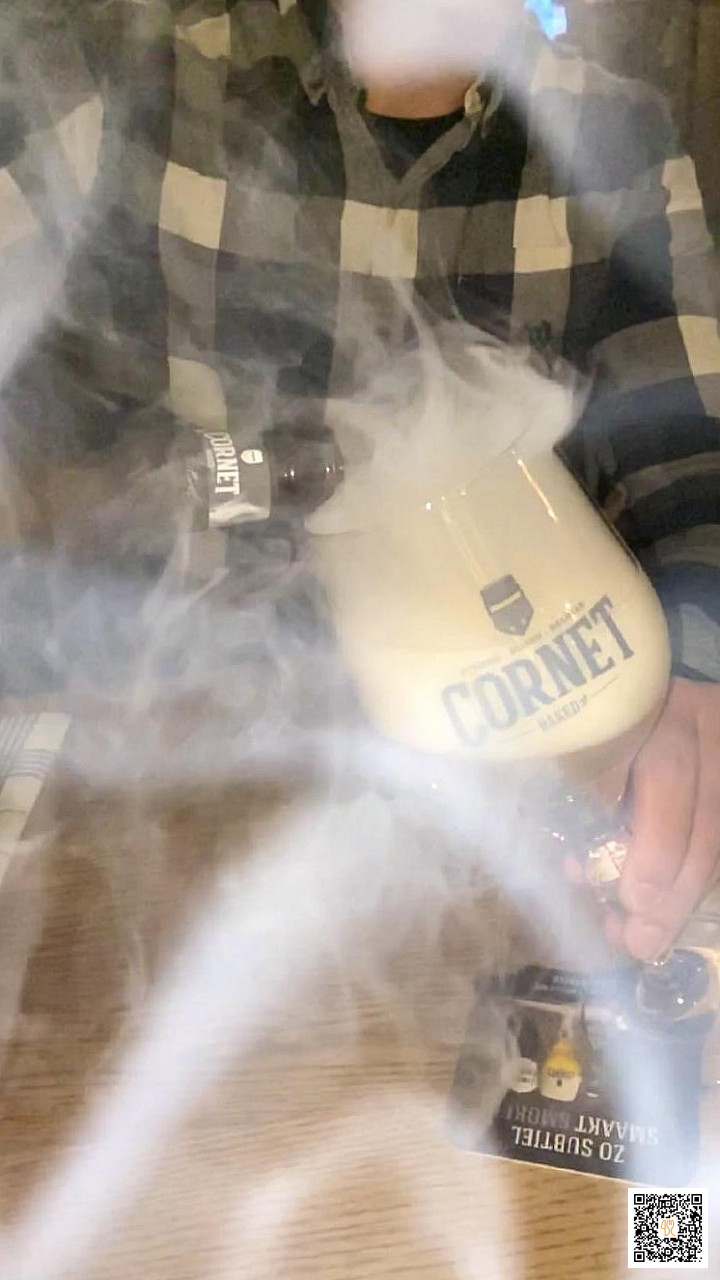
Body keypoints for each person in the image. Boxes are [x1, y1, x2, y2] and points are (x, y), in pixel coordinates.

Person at [1, 0, 719, 961]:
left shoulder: (616, 142)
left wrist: (700, 672)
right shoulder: (136, 81)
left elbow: (694, 463)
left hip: (512, 800)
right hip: (176, 773)